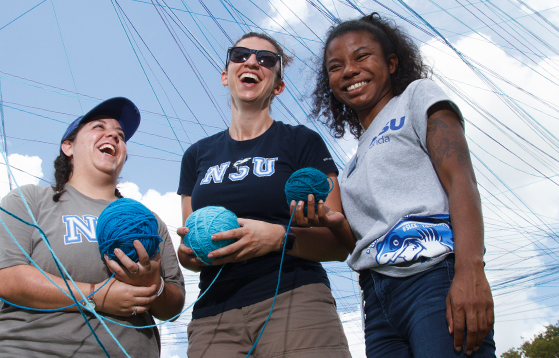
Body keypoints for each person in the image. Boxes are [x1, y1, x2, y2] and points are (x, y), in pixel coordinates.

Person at [305, 13, 496, 358]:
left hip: (433, 279)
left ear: (392, 63)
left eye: (362, 56)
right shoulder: (353, 164)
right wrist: (333, 222)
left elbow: (461, 180)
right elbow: (364, 242)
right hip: (378, 302)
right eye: (336, 66)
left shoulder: (416, 97)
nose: (349, 70)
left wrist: (471, 270)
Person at [177, 32, 353, 358]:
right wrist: (188, 254)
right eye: (240, 55)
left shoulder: (303, 142)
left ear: (278, 86)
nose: (252, 62)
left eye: (266, 59)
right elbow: (191, 246)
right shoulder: (195, 156)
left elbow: (340, 244)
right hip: (214, 317)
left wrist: (278, 237)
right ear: (225, 75)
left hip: (295, 301)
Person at [0, 97, 185, 357]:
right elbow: (2, 278)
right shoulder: (29, 200)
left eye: (120, 135)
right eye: (98, 127)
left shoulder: (147, 221)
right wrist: (96, 296)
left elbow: (173, 307)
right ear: (68, 146)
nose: (113, 135)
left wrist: (154, 285)